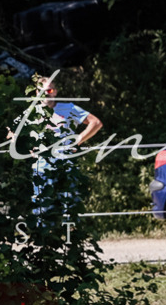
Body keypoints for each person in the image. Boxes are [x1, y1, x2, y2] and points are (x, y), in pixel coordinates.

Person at [12, 77, 103, 217]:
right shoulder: (31, 112)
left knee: (69, 207)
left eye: (49, 90)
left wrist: (78, 140)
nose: (46, 94)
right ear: (36, 93)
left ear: (55, 92)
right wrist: (28, 147)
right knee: (42, 208)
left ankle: (70, 230)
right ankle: (43, 230)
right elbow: (13, 131)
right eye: (42, 91)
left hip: (66, 164)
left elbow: (95, 123)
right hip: (41, 166)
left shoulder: (68, 108)